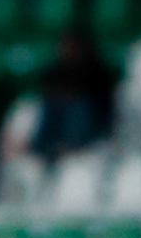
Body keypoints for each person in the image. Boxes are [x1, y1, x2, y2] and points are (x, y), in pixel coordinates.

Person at [31, 25, 119, 160]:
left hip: (90, 143)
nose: (68, 50)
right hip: (55, 141)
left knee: (79, 109)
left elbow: (105, 117)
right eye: (65, 46)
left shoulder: (100, 75)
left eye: (73, 47)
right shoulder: (54, 74)